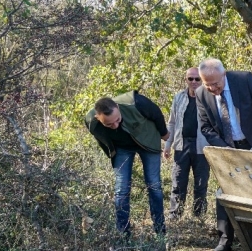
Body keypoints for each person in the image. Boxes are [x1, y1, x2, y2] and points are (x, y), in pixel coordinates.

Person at [195, 58, 252, 251]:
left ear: (224, 75)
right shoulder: (200, 94)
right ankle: (225, 240)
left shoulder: (243, 79)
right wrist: (225, 149)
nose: (213, 89)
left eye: (216, 84)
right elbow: (205, 127)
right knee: (225, 191)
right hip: (226, 149)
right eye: (208, 85)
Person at [85, 91, 169, 237]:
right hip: (123, 147)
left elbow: (156, 113)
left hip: (147, 140)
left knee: (154, 185)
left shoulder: (136, 102)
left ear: (117, 107)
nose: (115, 125)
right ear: (99, 118)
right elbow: (103, 142)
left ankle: (160, 231)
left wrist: (164, 134)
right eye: (109, 124)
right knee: (121, 188)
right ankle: (123, 233)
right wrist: (114, 155)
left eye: (117, 119)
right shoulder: (91, 122)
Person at [163, 67, 210, 220]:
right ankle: (175, 215)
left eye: (197, 79)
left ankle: (199, 217)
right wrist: (167, 145)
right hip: (181, 145)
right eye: (191, 79)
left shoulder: (208, 97)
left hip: (202, 146)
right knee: (178, 182)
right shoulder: (179, 97)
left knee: (201, 184)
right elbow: (172, 122)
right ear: (186, 80)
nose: (194, 82)